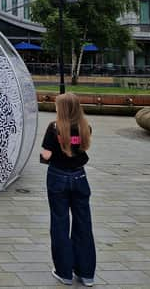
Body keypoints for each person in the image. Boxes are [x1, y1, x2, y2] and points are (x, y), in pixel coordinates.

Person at [40, 93, 95, 287]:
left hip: (58, 177)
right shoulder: (84, 127)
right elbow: (80, 147)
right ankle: (86, 273)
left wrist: (45, 153)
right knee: (83, 223)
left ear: (61, 108)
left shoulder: (54, 128)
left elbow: (46, 155)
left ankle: (64, 272)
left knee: (60, 223)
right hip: (80, 177)